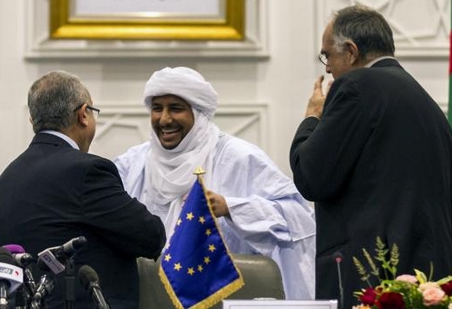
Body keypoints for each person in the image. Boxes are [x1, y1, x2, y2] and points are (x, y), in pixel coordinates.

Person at [289, 5, 452, 304]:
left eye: (328, 55)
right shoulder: (429, 106)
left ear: (352, 51)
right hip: (431, 280)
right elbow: (450, 204)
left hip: (370, 279)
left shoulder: (355, 87)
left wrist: (311, 119)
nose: (327, 68)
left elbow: (311, 177)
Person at [115, 67, 317, 299]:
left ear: (199, 112)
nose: (164, 119)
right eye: (157, 108)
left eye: (176, 108)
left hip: (229, 296)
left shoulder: (239, 157)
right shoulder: (133, 163)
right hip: (151, 297)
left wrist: (232, 207)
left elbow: (297, 218)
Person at [0, 71, 165, 309]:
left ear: (33, 121)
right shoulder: (87, 172)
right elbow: (151, 236)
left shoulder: (5, 181)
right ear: (83, 115)